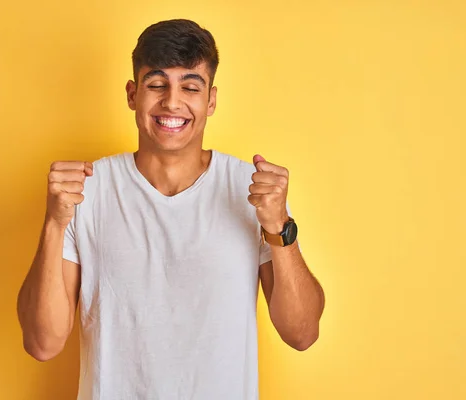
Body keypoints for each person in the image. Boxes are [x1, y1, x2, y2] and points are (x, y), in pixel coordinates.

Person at [17, 19, 325, 400]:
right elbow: (42, 343)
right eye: (157, 84)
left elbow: (302, 333)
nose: (172, 102)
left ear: (211, 100)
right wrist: (54, 223)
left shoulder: (253, 191)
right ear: (133, 94)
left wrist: (279, 226)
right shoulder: (86, 192)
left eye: (190, 87)